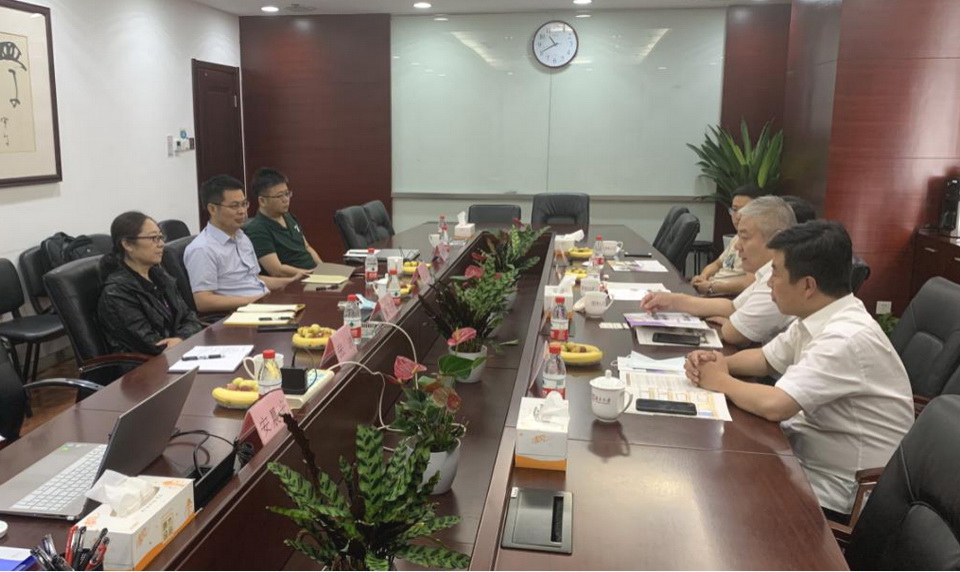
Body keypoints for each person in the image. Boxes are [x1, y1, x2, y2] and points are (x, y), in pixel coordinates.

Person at [684, 221, 914, 522]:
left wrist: (721, 381)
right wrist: (716, 362)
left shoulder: (845, 337)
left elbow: (776, 405)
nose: (768, 283)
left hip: (841, 493)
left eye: (775, 273)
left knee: (714, 500)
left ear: (807, 286)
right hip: (804, 458)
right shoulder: (819, 316)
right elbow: (765, 359)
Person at [641, 196, 796, 346]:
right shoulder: (767, 272)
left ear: (776, 239)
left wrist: (730, 324)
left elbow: (736, 335)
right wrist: (673, 301)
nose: (737, 246)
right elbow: (731, 307)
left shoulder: (782, 279)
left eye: (745, 238)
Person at [184, 175, 305, 313]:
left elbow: (254, 279)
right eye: (234, 206)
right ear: (212, 209)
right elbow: (203, 301)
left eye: (244, 204)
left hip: (260, 305)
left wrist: (291, 281)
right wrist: (256, 301)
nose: (242, 211)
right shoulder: (202, 249)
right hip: (237, 314)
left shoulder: (241, 237)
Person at [97, 211, 203, 355]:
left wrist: (181, 338)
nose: (161, 244)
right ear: (127, 244)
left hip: (179, 352)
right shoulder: (116, 293)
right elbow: (152, 345)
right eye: (154, 238)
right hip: (147, 365)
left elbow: (191, 318)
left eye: (161, 237)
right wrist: (181, 340)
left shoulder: (160, 276)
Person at [244, 167, 322, 277]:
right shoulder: (257, 229)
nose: (286, 199)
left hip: (314, 275)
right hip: (295, 280)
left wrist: (323, 268)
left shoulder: (288, 216)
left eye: (287, 193)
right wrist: (311, 274)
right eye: (279, 196)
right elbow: (276, 270)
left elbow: (307, 247)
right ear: (262, 201)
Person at [691, 184, 765, 296]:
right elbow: (717, 264)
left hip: (725, 295)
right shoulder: (736, 238)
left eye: (744, 210)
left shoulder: (760, 243)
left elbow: (749, 282)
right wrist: (703, 277)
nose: (737, 216)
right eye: (734, 210)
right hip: (710, 289)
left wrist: (711, 286)